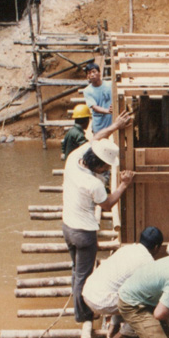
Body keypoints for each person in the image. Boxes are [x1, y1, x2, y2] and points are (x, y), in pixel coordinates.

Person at [62, 138, 134, 323]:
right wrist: (124, 185)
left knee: (76, 270)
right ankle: (83, 314)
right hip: (83, 233)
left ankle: (79, 307)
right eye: (105, 167)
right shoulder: (94, 184)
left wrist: (115, 125)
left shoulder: (73, 158)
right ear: (98, 164)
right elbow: (108, 204)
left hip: (68, 226)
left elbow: (97, 136)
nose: (107, 170)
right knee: (83, 276)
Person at [82, 226, 163, 338]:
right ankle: (124, 335)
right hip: (101, 301)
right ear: (156, 247)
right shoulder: (147, 262)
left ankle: (113, 328)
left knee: (126, 290)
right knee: (150, 300)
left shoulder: (128, 249)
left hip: (88, 292)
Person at [83, 62, 112, 134]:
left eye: (94, 72)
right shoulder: (87, 91)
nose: (92, 75)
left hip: (111, 123)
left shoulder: (110, 85)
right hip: (99, 125)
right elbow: (94, 107)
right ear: (87, 76)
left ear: (99, 73)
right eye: (89, 73)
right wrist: (108, 111)